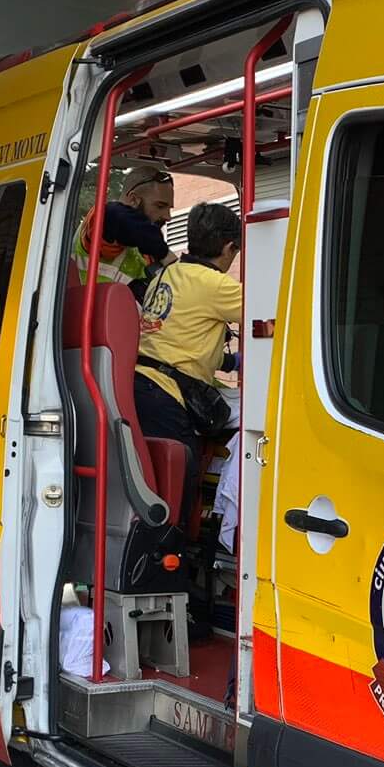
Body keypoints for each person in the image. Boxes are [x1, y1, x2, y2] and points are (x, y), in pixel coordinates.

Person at [133, 200, 243, 529]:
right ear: (228, 247)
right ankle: (171, 553)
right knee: (180, 484)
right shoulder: (216, 284)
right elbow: (278, 316)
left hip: (139, 386)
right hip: (169, 395)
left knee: (153, 481)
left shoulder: (166, 276)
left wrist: (230, 361)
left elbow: (179, 337)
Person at [72, 164, 175, 286]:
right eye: (160, 206)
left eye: (169, 208)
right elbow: (117, 215)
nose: (168, 217)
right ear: (133, 200)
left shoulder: (146, 248)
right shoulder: (102, 220)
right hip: (89, 298)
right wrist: (165, 254)